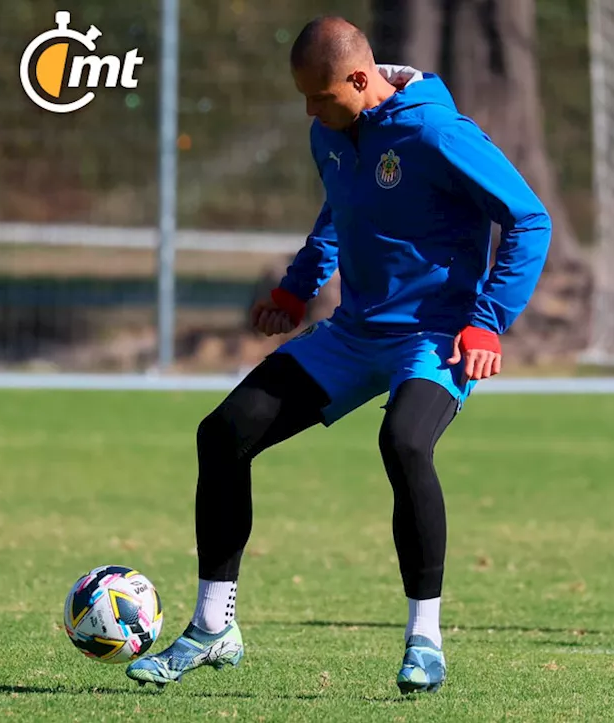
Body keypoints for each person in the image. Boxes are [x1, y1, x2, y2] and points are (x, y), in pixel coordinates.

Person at [125, 16, 552, 693]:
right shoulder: (331, 131)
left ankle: (425, 640)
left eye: (318, 96)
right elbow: (339, 212)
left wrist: (488, 321)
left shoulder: (439, 134)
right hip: (354, 333)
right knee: (224, 433)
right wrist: (296, 291)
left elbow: (529, 218)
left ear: (360, 78)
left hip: (433, 336)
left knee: (406, 443)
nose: (309, 111)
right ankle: (213, 626)